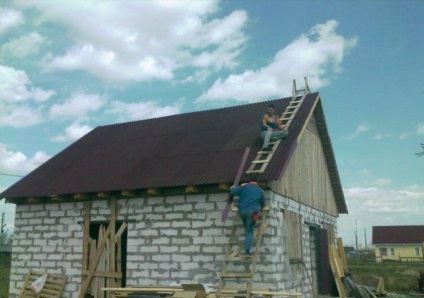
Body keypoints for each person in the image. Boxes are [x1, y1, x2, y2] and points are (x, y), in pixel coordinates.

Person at [230, 173, 265, 256]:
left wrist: (232, 188)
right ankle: (247, 251)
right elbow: (262, 204)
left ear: (250, 179)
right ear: (258, 180)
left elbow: (233, 192)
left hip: (241, 211)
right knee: (250, 230)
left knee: (247, 227)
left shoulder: (244, 186)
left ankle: (245, 245)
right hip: (253, 212)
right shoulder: (260, 190)